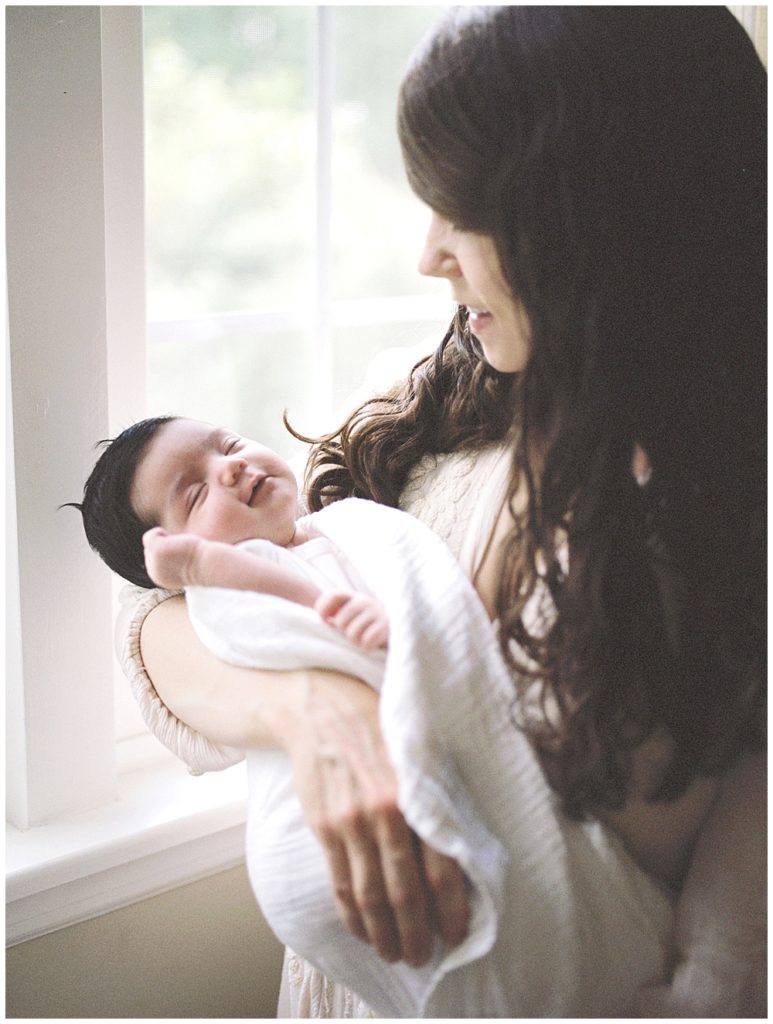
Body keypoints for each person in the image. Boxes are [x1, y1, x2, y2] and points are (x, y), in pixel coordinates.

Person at [123, 6, 765, 1016]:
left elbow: (719, 989)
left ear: (594, 215)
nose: (427, 253)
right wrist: (313, 708)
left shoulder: (733, 529)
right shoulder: (424, 406)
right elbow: (158, 608)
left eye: (462, 209)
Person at [70, 415, 389, 652]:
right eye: (196, 494)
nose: (232, 464)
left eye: (228, 445)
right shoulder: (232, 593)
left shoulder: (340, 518)